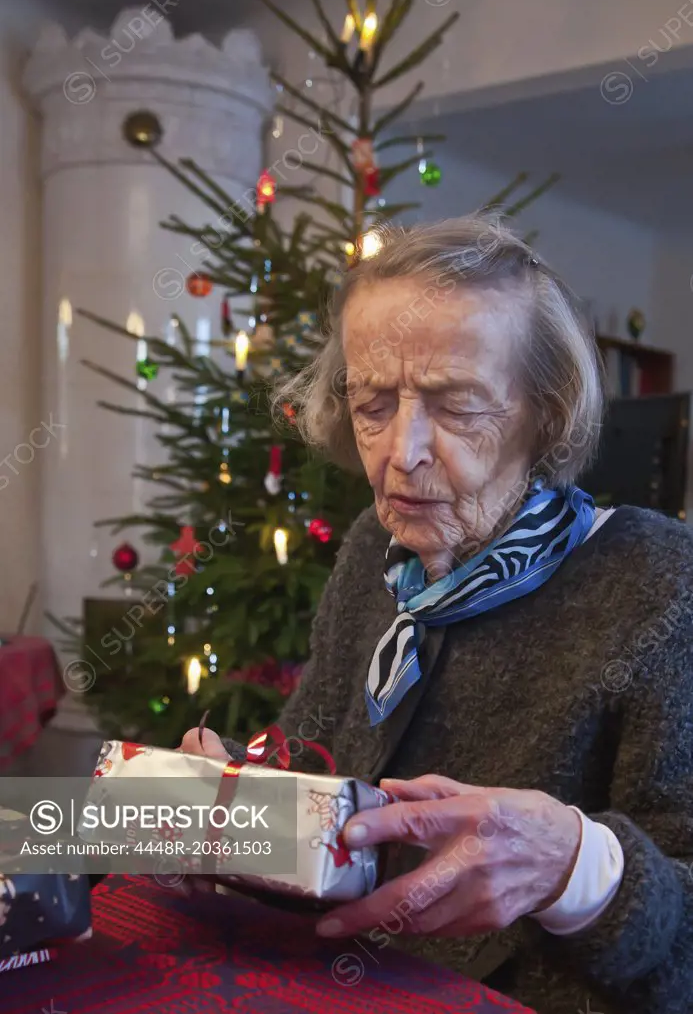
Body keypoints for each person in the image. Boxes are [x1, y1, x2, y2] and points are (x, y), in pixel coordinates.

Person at [181, 216, 693, 1014]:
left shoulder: (663, 582)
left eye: (455, 406)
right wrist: (235, 812)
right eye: (372, 403)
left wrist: (573, 866)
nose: (399, 452)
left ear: (547, 412)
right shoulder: (371, 552)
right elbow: (316, 764)